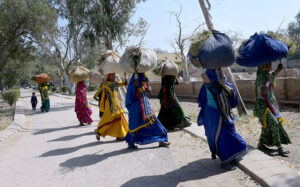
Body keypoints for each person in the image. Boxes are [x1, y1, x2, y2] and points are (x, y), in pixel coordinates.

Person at [196, 63, 247, 170]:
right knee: (220, 136)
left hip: (225, 112)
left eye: (220, 69)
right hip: (213, 113)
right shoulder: (208, 80)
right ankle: (225, 160)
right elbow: (213, 89)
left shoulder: (222, 80)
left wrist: (224, 85)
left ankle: (230, 155)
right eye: (217, 69)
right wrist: (201, 68)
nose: (220, 71)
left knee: (230, 133)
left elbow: (232, 93)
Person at [254, 63, 291, 156]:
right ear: (262, 66)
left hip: (271, 104)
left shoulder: (268, 74)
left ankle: (261, 144)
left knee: (268, 125)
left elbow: (274, 73)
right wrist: (268, 80)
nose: (270, 67)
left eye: (270, 65)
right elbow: (263, 91)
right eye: (268, 65)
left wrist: (279, 68)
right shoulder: (260, 78)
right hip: (262, 107)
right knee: (274, 123)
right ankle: (279, 148)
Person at [125, 73, 170, 149]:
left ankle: (161, 140)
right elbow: (131, 93)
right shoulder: (134, 78)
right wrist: (135, 84)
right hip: (136, 108)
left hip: (146, 107)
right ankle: (131, 143)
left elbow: (149, 92)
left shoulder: (144, 77)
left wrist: (148, 86)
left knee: (155, 123)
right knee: (134, 126)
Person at [94, 73, 129, 141]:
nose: (115, 75)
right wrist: (102, 73)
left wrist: (125, 75)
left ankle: (119, 135)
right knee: (107, 119)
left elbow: (125, 83)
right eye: (112, 75)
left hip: (117, 105)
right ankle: (98, 131)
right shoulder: (106, 83)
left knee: (119, 119)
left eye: (115, 74)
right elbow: (103, 81)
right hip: (109, 105)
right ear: (109, 76)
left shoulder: (116, 83)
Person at [157, 64, 191, 131]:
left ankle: (177, 123)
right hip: (166, 96)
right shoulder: (165, 78)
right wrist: (164, 70)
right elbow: (163, 77)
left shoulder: (171, 77)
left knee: (175, 109)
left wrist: (175, 75)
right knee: (167, 110)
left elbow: (177, 83)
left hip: (172, 96)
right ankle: (170, 125)